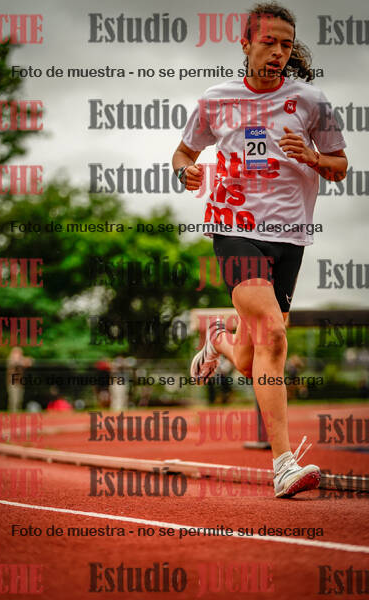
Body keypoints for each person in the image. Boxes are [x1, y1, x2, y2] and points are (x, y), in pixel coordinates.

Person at [172, 2, 347, 497]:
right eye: (268, 41)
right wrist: (185, 171)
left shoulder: (311, 102)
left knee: (252, 360)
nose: (277, 52)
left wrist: (312, 156)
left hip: (290, 236)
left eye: (286, 45)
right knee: (274, 335)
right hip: (234, 227)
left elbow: (340, 166)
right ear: (246, 43)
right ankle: (284, 464)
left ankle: (219, 341)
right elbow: (184, 152)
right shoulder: (216, 100)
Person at [6, 347, 33, 412]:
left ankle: (17, 412)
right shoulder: (11, 360)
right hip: (12, 383)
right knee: (14, 400)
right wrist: (23, 359)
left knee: (19, 400)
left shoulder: (20, 361)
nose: (19, 355)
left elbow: (30, 363)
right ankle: (13, 412)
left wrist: (25, 360)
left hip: (20, 383)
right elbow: (16, 362)